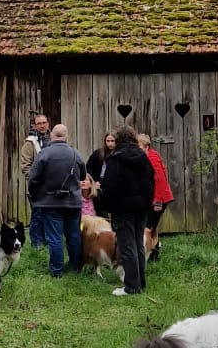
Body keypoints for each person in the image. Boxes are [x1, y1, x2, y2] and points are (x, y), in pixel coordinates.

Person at [95, 126, 155, 297]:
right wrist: (147, 203)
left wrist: (105, 203)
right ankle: (140, 283)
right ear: (134, 139)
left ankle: (131, 287)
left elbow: (109, 186)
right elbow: (151, 183)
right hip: (141, 208)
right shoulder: (143, 158)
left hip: (122, 209)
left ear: (119, 140)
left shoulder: (116, 160)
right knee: (138, 245)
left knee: (127, 246)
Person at [27, 121, 86, 277]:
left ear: (52, 135)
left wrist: (35, 196)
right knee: (73, 236)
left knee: (55, 237)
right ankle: (76, 267)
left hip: (50, 202)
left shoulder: (44, 154)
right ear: (66, 136)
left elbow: (33, 179)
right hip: (73, 202)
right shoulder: (76, 153)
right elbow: (84, 176)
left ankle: (57, 271)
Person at [17, 111, 51, 252]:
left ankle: (48, 242)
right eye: (39, 124)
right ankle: (36, 245)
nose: (42, 126)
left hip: (53, 185)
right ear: (35, 126)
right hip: (37, 186)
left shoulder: (54, 140)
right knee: (37, 215)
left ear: (48, 124)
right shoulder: (30, 143)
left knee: (50, 216)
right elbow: (26, 166)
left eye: (44, 123)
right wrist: (35, 180)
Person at [140, 132, 174, 255]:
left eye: (139, 147)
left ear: (146, 146)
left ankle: (151, 252)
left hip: (159, 198)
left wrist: (158, 202)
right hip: (155, 198)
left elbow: (160, 181)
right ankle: (154, 250)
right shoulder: (149, 156)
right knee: (151, 226)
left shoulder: (152, 159)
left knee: (148, 227)